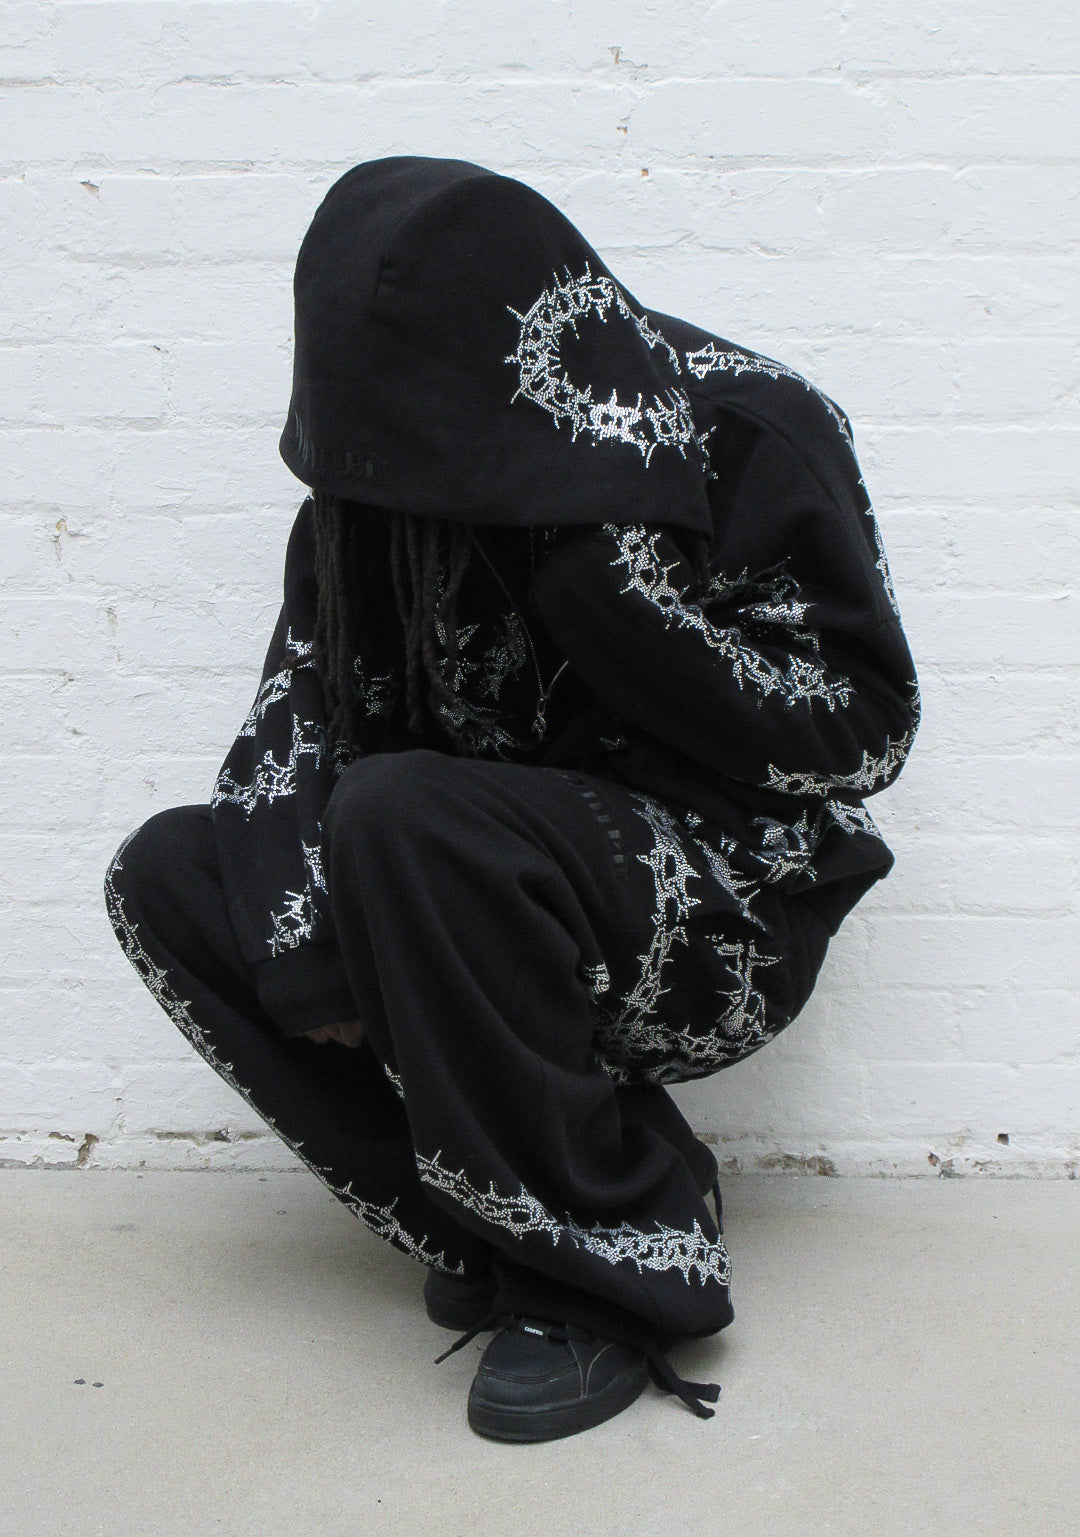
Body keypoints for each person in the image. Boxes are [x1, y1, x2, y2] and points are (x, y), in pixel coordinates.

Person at [104, 156, 920, 1443]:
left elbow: (865, 734)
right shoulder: (377, 482)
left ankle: (609, 1271)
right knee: (172, 877)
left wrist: (621, 609)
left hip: (720, 911)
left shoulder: (746, 428)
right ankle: (499, 1211)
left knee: (398, 815)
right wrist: (309, 958)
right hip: (450, 881)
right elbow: (298, 707)